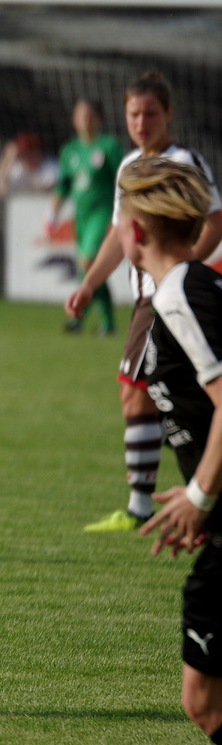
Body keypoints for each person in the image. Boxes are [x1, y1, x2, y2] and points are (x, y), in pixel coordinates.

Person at [69, 72, 222, 532]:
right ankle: (164, 499)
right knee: (151, 395)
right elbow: (122, 234)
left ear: (168, 114)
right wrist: (91, 282)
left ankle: (152, 504)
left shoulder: (182, 160)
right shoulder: (129, 165)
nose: (141, 121)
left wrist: (181, 266)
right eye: (133, 113)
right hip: (146, 298)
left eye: (150, 112)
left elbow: (214, 219)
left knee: (147, 395)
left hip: (166, 297)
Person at [112, 157, 222, 745]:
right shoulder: (190, 287)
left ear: (135, 232)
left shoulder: (181, 293)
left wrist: (202, 495)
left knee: (203, 702)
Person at [53, 99, 122, 336]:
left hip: (102, 214)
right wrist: (51, 214)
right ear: (73, 119)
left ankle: (78, 317)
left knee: (88, 262)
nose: (85, 120)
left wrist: (119, 214)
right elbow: (63, 185)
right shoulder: (69, 150)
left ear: (99, 118)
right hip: (80, 217)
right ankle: (107, 323)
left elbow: (121, 180)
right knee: (89, 267)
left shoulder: (109, 146)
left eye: (90, 115)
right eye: (80, 115)